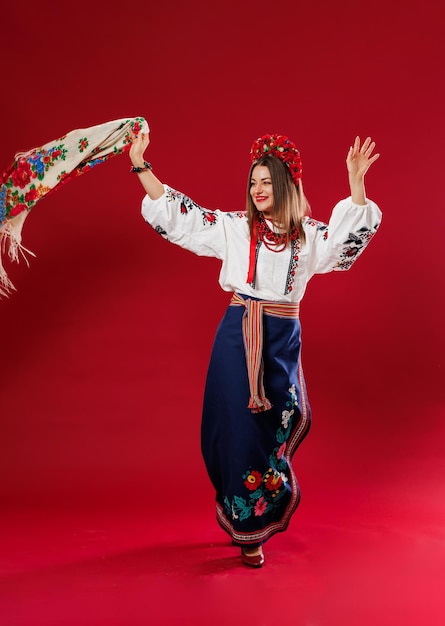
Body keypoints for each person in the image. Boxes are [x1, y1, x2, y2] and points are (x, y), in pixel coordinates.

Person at [129, 130, 381, 568]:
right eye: (253, 182)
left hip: (280, 342)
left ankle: (255, 518)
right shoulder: (235, 228)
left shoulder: (308, 238)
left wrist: (356, 184)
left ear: (285, 185)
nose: (257, 190)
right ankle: (245, 527)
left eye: (266, 181)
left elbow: (345, 245)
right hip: (237, 338)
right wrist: (140, 164)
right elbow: (184, 217)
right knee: (232, 431)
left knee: (269, 432)